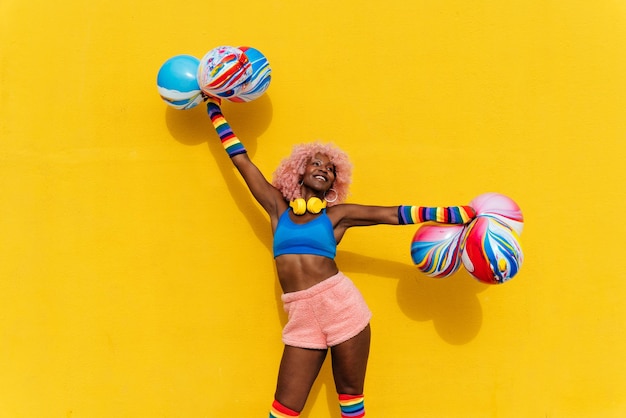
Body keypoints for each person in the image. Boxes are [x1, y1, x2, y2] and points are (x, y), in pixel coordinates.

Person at [205, 97, 476, 418]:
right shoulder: (278, 208)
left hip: (341, 306)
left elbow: (391, 214)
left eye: (331, 169)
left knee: (350, 402)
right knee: (283, 409)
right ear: (299, 170)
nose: (324, 170)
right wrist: (213, 109)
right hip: (300, 314)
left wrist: (453, 213)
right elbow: (242, 162)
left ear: (336, 183)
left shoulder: (337, 216)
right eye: (317, 164)